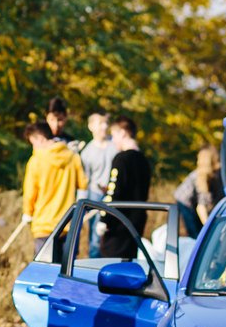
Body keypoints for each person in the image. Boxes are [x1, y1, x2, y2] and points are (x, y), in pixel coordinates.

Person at [22, 121, 86, 255]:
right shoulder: (73, 157)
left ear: (40, 139)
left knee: (44, 273)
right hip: (69, 224)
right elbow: (83, 186)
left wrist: (28, 212)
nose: (33, 148)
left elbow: (30, 193)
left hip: (44, 225)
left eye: (33, 143)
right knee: (66, 273)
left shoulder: (36, 161)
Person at [100, 115, 152, 259]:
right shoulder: (144, 160)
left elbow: (115, 192)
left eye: (114, 135)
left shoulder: (121, 158)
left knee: (110, 265)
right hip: (137, 221)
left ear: (123, 133)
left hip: (118, 223)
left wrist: (105, 219)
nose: (113, 140)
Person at [79, 110, 116, 257]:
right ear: (91, 126)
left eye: (106, 123)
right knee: (95, 238)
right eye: (100, 123)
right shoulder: (87, 152)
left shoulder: (115, 145)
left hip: (114, 195)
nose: (104, 126)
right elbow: (85, 180)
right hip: (95, 196)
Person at [173, 145, 224, 237]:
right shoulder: (202, 177)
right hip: (184, 203)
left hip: (191, 202)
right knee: (195, 231)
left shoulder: (211, 174)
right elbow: (201, 207)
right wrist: (209, 228)